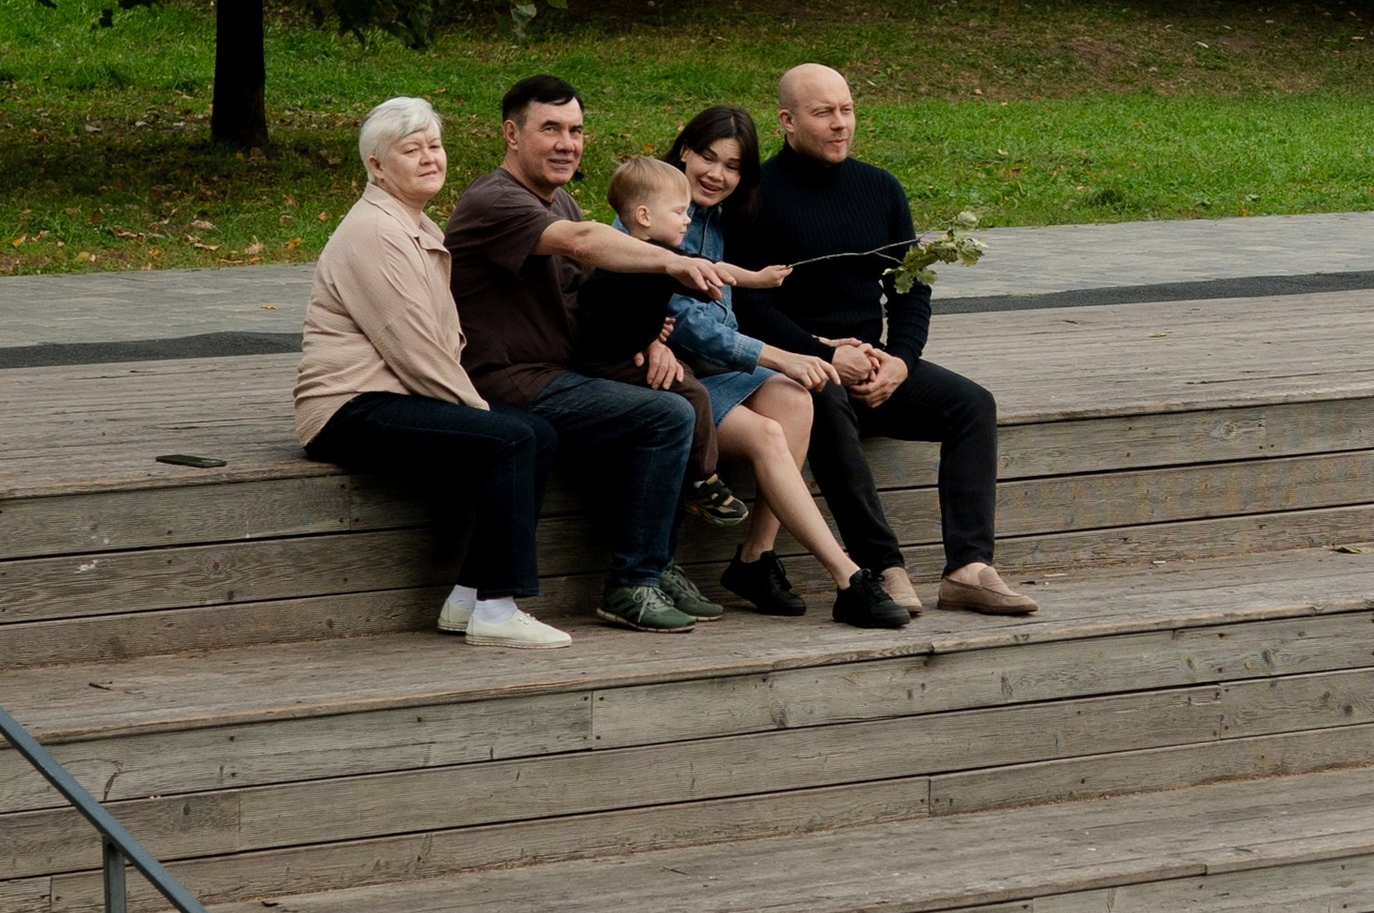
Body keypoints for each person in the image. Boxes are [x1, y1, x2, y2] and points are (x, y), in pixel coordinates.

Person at [732, 62, 1037, 617]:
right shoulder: (755, 197)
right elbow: (750, 306)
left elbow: (910, 287)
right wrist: (827, 354)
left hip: (875, 364)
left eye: (846, 110)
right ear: (787, 121)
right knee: (823, 397)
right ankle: (882, 567)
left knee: (972, 404)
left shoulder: (880, 189)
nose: (840, 124)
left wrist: (899, 359)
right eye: (823, 113)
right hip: (802, 367)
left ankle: (968, 568)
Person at [443, 73, 728, 634]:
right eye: (550, 128)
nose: (567, 143)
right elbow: (580, 242)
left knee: (673, 393)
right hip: (506, 380)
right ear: (511, 133)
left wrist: (648, 340)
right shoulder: (494, 199)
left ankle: (659, 567)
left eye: (575, 130)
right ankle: (632, 584)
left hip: (562, 370)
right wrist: (671, 261)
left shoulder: (562, 199)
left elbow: (591, 297)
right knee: (666, 417)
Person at [292, 96, 570, 649]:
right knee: (513, 437)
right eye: (410, 149)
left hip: (388, 396)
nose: (429, 158)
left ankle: (468, 596)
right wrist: (479, 409)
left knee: (534, 433)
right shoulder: (375, 231)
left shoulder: (413, 225)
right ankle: (497, 610)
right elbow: (414, 348)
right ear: (376, 164)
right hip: (348, 407)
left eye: (435, 146)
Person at [607, 153, 910, 631]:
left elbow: (730, 290)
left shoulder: (712, 222)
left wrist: (814, 345)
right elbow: (685, 319)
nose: (717, 174)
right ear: (685, 152)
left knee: (794, 395)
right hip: (661, 377)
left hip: (712, 370)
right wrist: (777, 355)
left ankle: (755, 559)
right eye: (708, 157)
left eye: (732, 165)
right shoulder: (638, 230)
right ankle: (847, 574)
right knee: (768, 430)